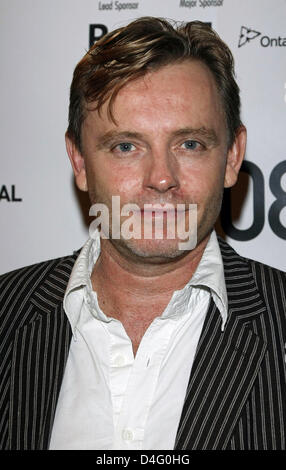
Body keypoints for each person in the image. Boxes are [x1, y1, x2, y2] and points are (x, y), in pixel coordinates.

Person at [0, 17, 285, 451]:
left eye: (189, 144)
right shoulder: (7, 313)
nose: (161, 178)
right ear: (79, 162)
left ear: (231, 157)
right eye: (126, 146)